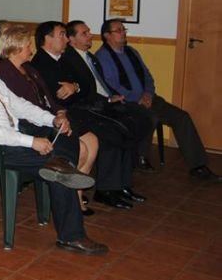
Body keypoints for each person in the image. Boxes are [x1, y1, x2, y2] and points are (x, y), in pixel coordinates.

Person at [0, 38, 108, 255]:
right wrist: (32, 142)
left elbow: (20, 106)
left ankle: (63, 166)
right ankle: (71, 236)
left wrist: (52, 120)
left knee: (65, 134)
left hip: (13, 134)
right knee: (58, 169)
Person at [30, 21, 144, 209]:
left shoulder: (62, 59)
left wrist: (74, 86)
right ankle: (106, 190)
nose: (66, 39)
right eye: (61, 35)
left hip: (80, 108)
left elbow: (84, 86)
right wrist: (75, 89)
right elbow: (60, 97)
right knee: (112, 132)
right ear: (47, 39)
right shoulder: (41, 63)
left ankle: (121, 185)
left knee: (125, 124)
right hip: (68, 113)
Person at [96, 19, 220, 181]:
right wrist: (137, 98)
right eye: (118, 30)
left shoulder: (132, 52)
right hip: (126, 102)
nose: (123, 33)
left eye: (124, 29)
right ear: (107, 36)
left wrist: (148, 94)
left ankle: (198, 166)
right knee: (150, 117)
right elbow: (111, 85)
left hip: (148, 98)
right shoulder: (103, 57)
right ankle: (140, 158)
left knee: (181, 117)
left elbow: (147, 76)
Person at [0, 26, 99, 214]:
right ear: (17, 48)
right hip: (31, 124)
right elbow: (18, 108)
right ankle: (66, 197)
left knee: (92, 140)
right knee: (81, 149)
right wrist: (52, 118)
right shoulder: (4, 72)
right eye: (28, 45)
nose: (31, 49)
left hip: (48, 117)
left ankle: (76, 194)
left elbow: (48, 97)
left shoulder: (29, 68)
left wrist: (60, 112)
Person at [61, 20, 156, 174]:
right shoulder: (69, 60)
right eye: (84, 33)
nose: (90, 35)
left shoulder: (90, 57)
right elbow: (85, 92)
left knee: (137, 120)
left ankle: (125, 174)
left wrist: (147, 93)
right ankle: (115, 180)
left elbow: (105, 84)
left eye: (89, 31)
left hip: (108, 101)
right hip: (92, 107)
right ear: (71, 39)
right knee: (125, 126)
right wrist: (109, 99)